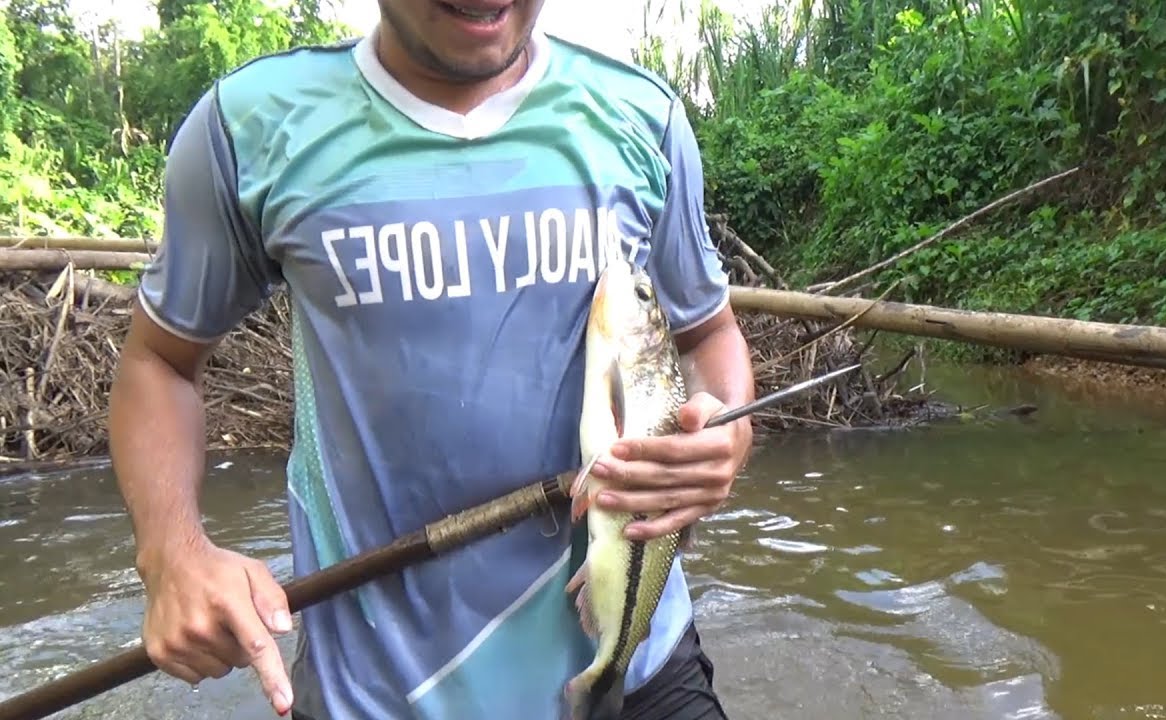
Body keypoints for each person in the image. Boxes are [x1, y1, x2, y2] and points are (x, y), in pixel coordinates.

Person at [105, 0, 755, 718]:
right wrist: (172, 554)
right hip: (377, 693)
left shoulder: (643, 118)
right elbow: (159, 361)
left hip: (637, 654)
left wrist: (726, 431)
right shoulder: (247, 129)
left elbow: (707, 334)